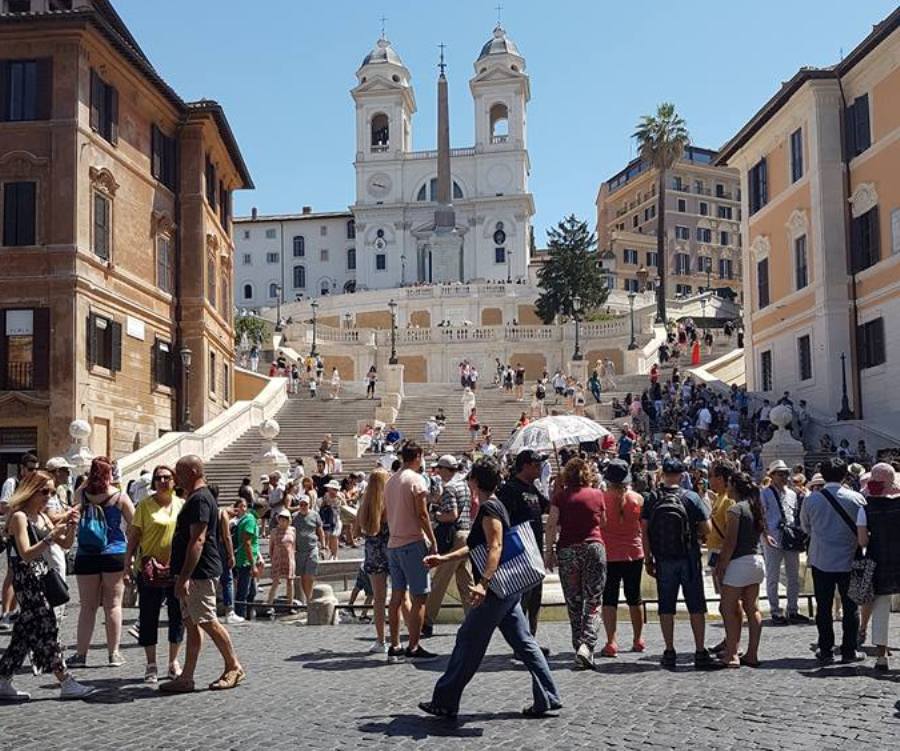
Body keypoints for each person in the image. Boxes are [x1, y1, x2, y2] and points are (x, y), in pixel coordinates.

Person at [419, 458, 561, 719]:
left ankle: (445, 701)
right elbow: (478, 546)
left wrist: (483, 584)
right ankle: (548, 696)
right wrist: (445, 559)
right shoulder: (495, 506)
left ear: (474, 481)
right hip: (507, 589)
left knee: (467, 641)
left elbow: (495, 546)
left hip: (496, 589)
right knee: (525, 643)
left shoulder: (490, 510)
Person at [0, 471, 93, 701]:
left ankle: (2, 679)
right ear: (30, 491)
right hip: (27, 582)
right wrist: (50, 537)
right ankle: (66, 680)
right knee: (47, 628)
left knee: (23, 633)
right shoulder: (20, 517)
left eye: (52, 492)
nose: (48, 497)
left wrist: (70, 526)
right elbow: (26, 554)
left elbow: (66, 544)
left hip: (41, 579)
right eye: (44, 491)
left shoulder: (41, 516)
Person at [159, 455, 244, 693]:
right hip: (190, 572)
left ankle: (233, 666)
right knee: (191, 623)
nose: (176, 476)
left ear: (194, 471)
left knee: (207, 619)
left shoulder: (200, 499)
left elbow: (198, 539)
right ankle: (186, 677)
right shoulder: (196, 498)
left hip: (199, 572)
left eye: (179, 471)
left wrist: (184, 576)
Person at [641, 458, 720, 670]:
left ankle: (669, 651)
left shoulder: (651, 498)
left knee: (666, 606)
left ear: (662, 474)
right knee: (696, 604)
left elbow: (644, 532)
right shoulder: (691, 497)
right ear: (682, 475)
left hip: (664, 558)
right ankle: (700, 650)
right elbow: (707, 529)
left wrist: (648, 559)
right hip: (688, 557)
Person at [69, 456, 134, 668]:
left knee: (87, 607)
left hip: (87, 553)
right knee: (113, 605)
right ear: (110, 473)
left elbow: (72, 515)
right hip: (114, 552)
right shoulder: (120, 497)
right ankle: (114, 654)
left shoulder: (81, 494)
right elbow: (134, 525)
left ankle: (80, 655)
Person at [800, 458, 866, 665]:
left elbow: (805, 527)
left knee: (824, 606)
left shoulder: (811, 500)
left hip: (822, 559)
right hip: (851, 559)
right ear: (845, 475)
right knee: (851, 607)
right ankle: (849, 650)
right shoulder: (857, 499)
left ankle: (826, 648)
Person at [123, 465, 185, 684]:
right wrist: (127, 562)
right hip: (149, 568)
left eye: (166, 477)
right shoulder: (144, 506)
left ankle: (173, 661)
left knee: (177, 615)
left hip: (176, 568)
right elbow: (134, 535)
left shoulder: (182, 505)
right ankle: (151, 664)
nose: (162, 481)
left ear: (174, 481)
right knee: (148, 616)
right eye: (158, 478)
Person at [544, 457, 607, 669]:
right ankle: (587, 645)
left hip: (568, 549)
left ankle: (578, 643)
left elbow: (551, 525)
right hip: (593, 546)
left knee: (573, 602)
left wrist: (549, 552)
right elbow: (603, 522)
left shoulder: (560, 497)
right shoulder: (598, 494)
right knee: (593, 599)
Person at [384, 441, 438, 663]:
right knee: (419, 597)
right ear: (417, 456)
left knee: (396, 596)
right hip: (412, 542)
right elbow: (422, 514)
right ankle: (414, 646)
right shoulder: (416, 480)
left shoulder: (391, 481)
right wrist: (433, 541)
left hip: (393, 544)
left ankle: (395, 644)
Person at [496, 449, 550, 651]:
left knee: (535, 598)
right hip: (520, 553)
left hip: (535, 551)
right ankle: (521, 643)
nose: (539, 468)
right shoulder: (509, 489)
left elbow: (548, 507)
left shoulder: (532, 488)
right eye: (536, 464)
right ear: (525, 465)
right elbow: (503, 521)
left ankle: (530, 639)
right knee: (521, 601)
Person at [713, 472, 766, 668]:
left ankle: (732, 653)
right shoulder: (755, 506)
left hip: (739, 562)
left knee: (727, 607)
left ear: (733, 486)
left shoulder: (735, 510)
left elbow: (730, 542)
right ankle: (752, 653)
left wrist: (721, 565)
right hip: (757, 560)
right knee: (752, 608)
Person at [597, 459, 645, 656]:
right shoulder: (638, 499)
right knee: (635, 597)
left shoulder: (601, 499)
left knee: (609, 598)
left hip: (609, 554)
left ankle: (611, 642)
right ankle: (638, 639)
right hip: (634, 552)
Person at [423, 455, 474, 638]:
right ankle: (474, 618)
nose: (437, 472)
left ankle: (426, 621)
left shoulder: (450, 487)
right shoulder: (464, 485)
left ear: (446, 469)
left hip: (455, 537)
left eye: (439, 469)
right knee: (465, 580)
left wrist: (435, 516)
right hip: (467, 534)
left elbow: (451, 515)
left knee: (440, 581)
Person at [856, 463, 900, 670]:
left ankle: (882, 655)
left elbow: (863, 541)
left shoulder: (865, 509)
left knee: (881, 607)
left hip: (878, 560)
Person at [760, 460, 807, 625]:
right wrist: (765, 535)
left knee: (793, 576)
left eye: (786, 473)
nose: (784, 477)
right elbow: (761, 516)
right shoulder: (764, 493)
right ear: (772, 476)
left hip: (789, 537)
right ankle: (775, 610)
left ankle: (792, 609)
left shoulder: (793, 494)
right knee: (772, 575)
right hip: (772, 537)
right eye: (780, 474)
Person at [0, 452, 39, 632]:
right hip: (15, 531)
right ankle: (5, 612)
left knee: (23, 572)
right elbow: (3, 506)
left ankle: (16, 610)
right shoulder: (12, 483)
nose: (33, 472)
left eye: (36, 470)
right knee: (12, 572)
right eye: (30, 469)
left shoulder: (34, 485)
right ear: (22, 469)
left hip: (30, 532)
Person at [354, 468, 392, 653]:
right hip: (392, 550)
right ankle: (399, 640)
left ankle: (380, 640)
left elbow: (355, 532)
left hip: (373, 552)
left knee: (378, 599)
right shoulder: (391, 503)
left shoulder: (366, 504)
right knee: (400, 596)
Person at [233, 498, 265, 619]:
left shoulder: (249, 517)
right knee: (243, 591)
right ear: (262, 509)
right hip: (245, 561)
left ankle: (248, 615)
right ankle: (240, 615)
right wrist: (253, 565)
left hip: (248, 559)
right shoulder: (250, 520)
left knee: (251, 592)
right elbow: (247, 543)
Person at [291, 496, 326, 603]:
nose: (303, 506)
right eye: (301, 504)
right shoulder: (294, 517)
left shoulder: (315, 515)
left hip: (312, 548)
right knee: (302, 576)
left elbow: (320, 531)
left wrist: (323, 546)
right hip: (299, 550)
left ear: (309, 504)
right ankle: (308, 599)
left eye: (305, 504)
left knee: (309, 575)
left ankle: (309, 598)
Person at [266, 509, 296, 611]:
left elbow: (294, 545)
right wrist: (272, 558)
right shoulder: (274, 531)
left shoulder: (292, 530)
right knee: (275, 582)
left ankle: (290, 605)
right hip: (277, 558)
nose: (282, 522)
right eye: (281, 519)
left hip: (289, 558)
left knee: (290, 581)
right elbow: (271, 546)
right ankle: (269, 604)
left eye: (285, 520)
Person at [319, 479, 344, 560]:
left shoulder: (340, 495)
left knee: (334, 536)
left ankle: (335, 554)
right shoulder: (326, 495)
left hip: (337, 518)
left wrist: (340, 499)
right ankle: (332, 553)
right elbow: (322, 506)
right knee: (329, 536)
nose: (330, 490)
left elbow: (345, 505)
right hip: (328, 518)